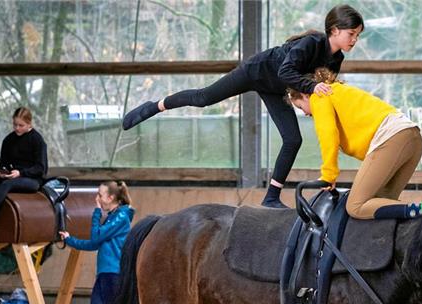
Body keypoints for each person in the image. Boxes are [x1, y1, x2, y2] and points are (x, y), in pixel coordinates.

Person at [121, 4, 364, 209]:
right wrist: (310, 89)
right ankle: (155, 106)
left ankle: (271, 197)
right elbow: (286, 70)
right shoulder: (312, 43)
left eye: (357, 35)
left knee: (293, 140)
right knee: (204, 98)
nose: (354, 40)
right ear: (334, 30)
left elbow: (322, 88)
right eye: (351, 34)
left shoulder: (336, 58)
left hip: (277, 89)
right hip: (256, 71)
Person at [288, 68, 422, 220]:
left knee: (356, 206)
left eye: (300, 107)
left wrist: (328, 175)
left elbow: (328, 135)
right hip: (411, 138)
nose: (306, 114)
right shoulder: (337, 91)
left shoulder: (319, 96)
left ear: (305, 94)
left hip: (393, 137)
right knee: (382, 205)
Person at [60, 181, 134, 304]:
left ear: (110, 198)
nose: (97, 199)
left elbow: (95, 237)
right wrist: (69, 239)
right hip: (105, 276)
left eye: (100, 195)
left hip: (114, 275)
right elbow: (94, 244)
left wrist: (95, 212)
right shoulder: (112, 217)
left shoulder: (122, 217)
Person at [0, 107, 48, 238]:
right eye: (15, 124)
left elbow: (41, 168)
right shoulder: (8, 140)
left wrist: (21, 173)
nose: (17, 128)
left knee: (6, 185)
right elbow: (3, 163)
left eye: (21, 125)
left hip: (32, 179)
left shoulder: (37, 140)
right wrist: (2, 172)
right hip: (11, 176)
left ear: (29, 124)